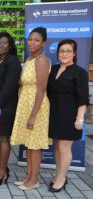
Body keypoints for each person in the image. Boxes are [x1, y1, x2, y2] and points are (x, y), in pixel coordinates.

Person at [10, 27, 51, 190]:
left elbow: (41, 89)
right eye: (30, 39)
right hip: (25, 104)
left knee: (34, 145)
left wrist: (33, 115)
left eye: (37, 40)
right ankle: (29, 177)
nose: (32, 42)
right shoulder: (28, 60)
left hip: (37, 106)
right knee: (28, 144)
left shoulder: (42, 60)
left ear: (43, 43)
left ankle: (34, 180)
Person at [47, 39, 88, 192]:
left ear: (74, 53)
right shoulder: (53, 68)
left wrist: (80, 118)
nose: (64, 53)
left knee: (64, 147)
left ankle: (62, 178)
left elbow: (83, 97)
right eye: (62, 51)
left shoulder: (80, 72)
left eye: (68, 51)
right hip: (54, 113)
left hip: (70, 114)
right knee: (57, 146)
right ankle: (59, 174)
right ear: (57, 53)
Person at [0, 32, 21, 185]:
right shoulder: (0, 60)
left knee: (3, 138)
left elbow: (9, 87)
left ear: (10, 45)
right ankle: (3, 168)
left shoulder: (13, 61)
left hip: (6, 106)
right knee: (0, 138)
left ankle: (2, 172)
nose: (1, 46)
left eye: (4, 43)